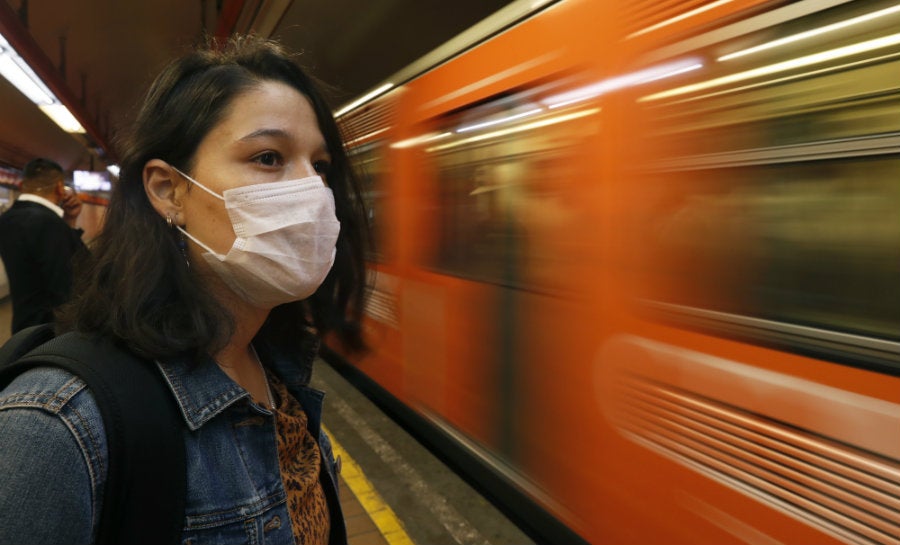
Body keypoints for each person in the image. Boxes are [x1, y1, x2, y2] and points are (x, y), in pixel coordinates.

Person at [0, 34, 368, 544]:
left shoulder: (276, 366)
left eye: (320, 166)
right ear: (168, 190)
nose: (312, 193)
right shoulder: (56, 426)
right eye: (268, 157)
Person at [0, 158, 86, 333]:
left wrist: (69, 221)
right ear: (60, 188)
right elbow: (69, 286)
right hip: (52, 333)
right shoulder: (50, 223)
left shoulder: (6, 219)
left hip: (23, 327)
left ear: (23, 185)